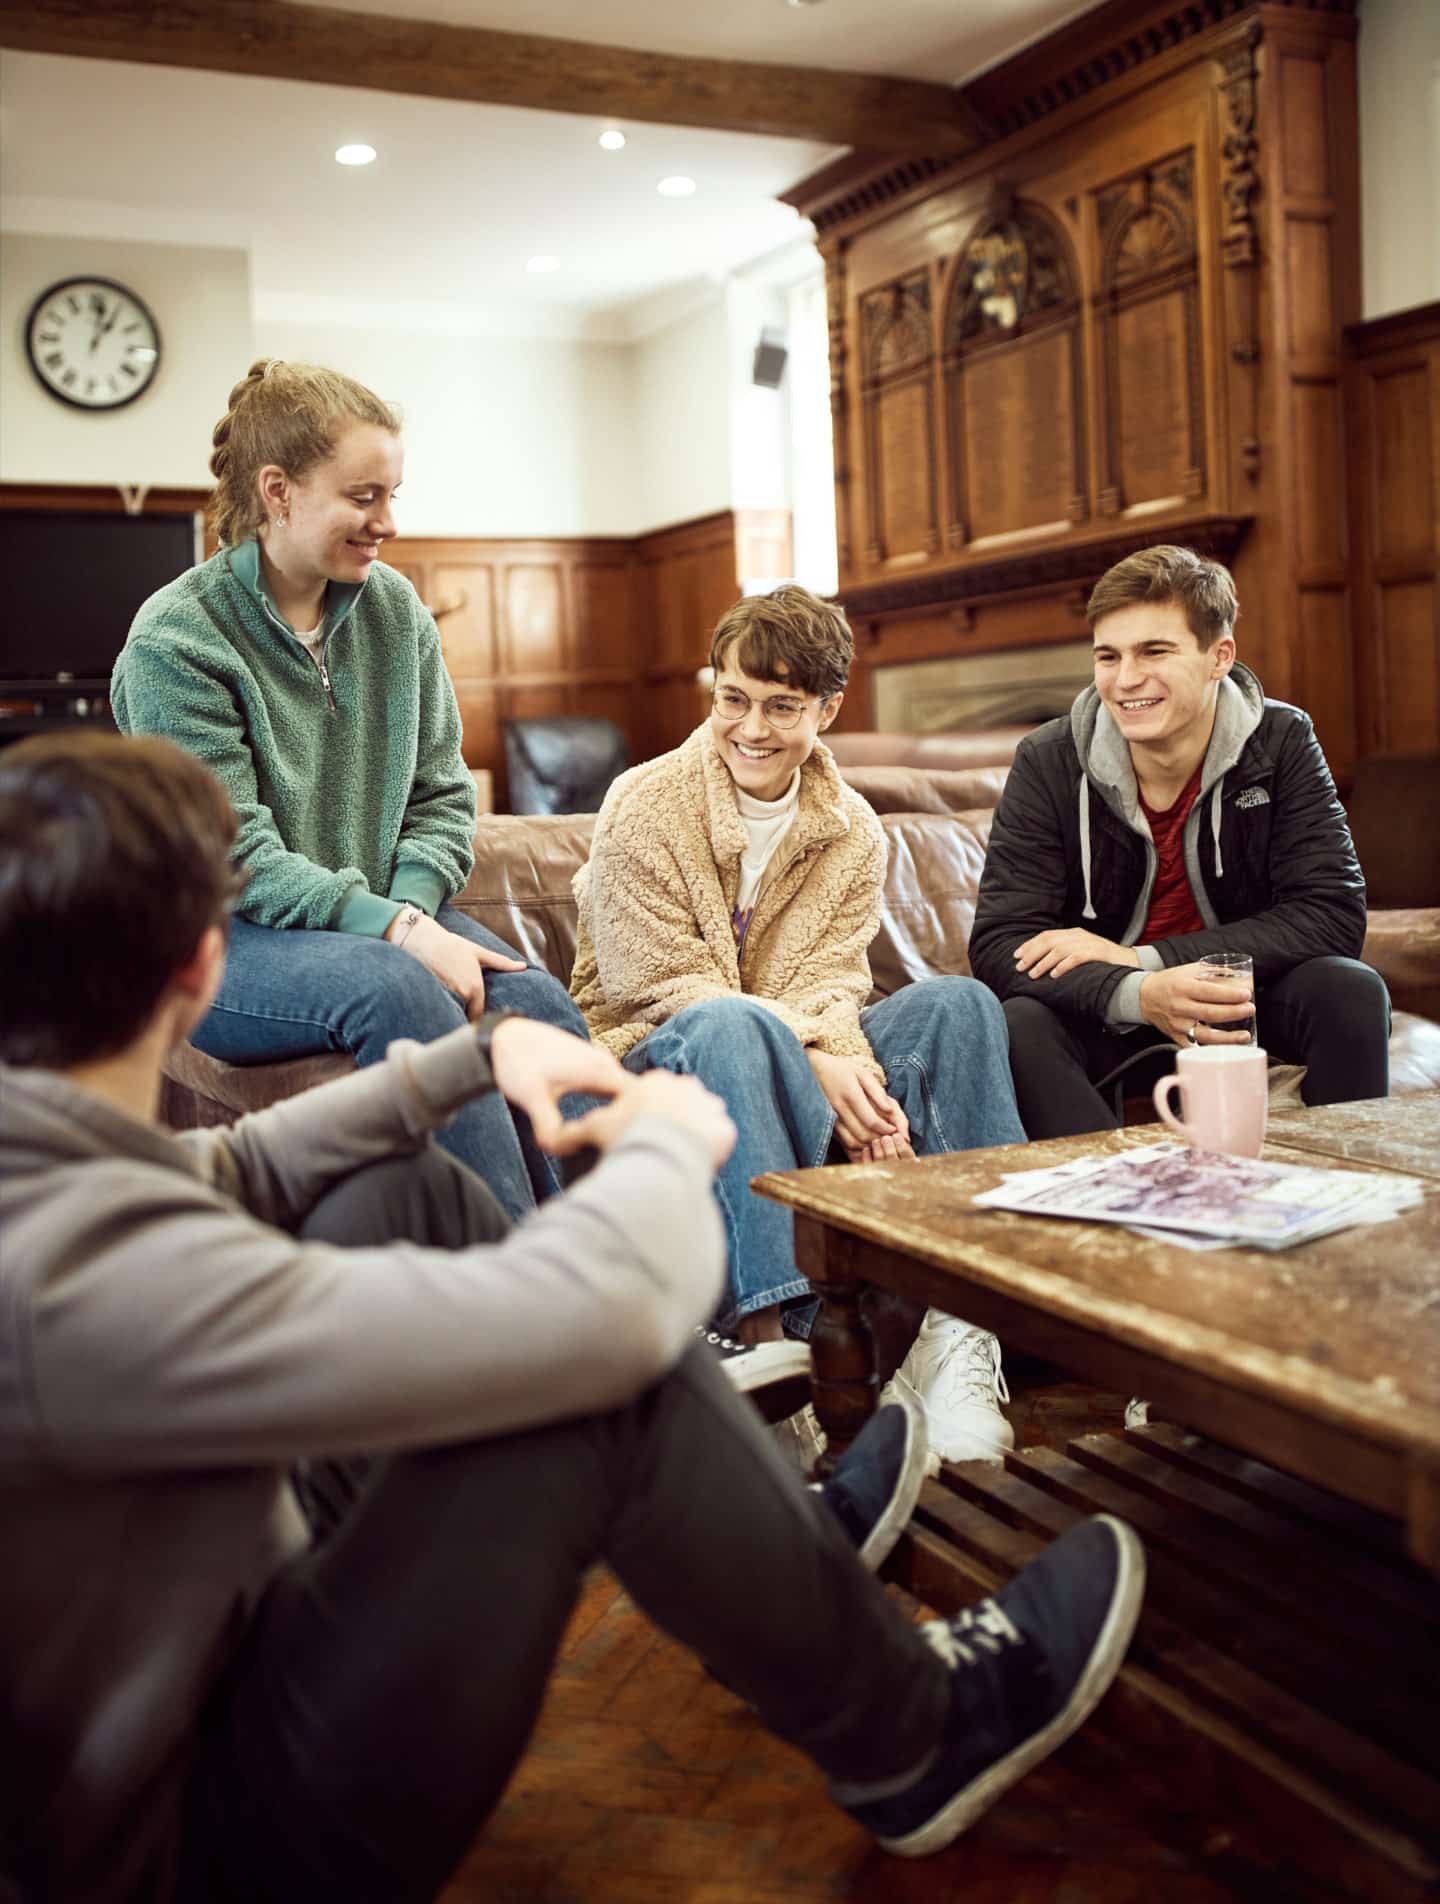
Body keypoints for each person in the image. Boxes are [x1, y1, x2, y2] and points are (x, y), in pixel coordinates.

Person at [0, 730, 1146, 1903]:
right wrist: (661, 1144)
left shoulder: (35, 1166)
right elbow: (608, 1308)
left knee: (407, 1189)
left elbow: (230, 1171)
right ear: (201, 968)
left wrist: (462, 1063)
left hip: (200, 1662)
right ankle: (915, 1727)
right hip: (207, 1842)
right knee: (590, 1384)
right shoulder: (84, 1281)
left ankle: (781, 1550)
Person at [111, 357, 587, 1224]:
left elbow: (442, 796)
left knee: (537, 1000)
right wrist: (402, 934)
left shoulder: (394, 612)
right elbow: (235, 857)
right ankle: (521, 1305)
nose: (389, 523)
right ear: (278, 490)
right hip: (229, 942)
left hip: (375, 916)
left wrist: (409, 909)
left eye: (393, 495)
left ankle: (635, 1282)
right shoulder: (175, 641)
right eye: (364, 497)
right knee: (397, 989)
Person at [570, 586, 1029, 1462]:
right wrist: (816, 1050)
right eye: (733, 698)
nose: (751, 727)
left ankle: (962, 1332)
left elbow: (831, 977)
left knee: (960, 1005)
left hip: (794, 1038)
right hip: (658, 1054)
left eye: (782, 707)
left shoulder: (852, 828)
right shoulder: (643, 801)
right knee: (738, 1024)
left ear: (828, 708)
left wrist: (830, 1051)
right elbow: (661, 985)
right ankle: (779, 1358)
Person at [969, 544, 1390, 1139]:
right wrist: (1139, 992)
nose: (1125, 680)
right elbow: (1000, 943)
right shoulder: (1048, 760)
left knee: (1347, 988)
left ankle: (1345, 1190)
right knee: (1018, 1023)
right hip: (1108, 1014)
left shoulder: (1281, 740)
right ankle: (1116, 1208)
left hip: (1237, 1005)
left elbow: (1332, 914)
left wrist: (1147, 960)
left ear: (1219, 657)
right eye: (1108, 656)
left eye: (1154, 651)